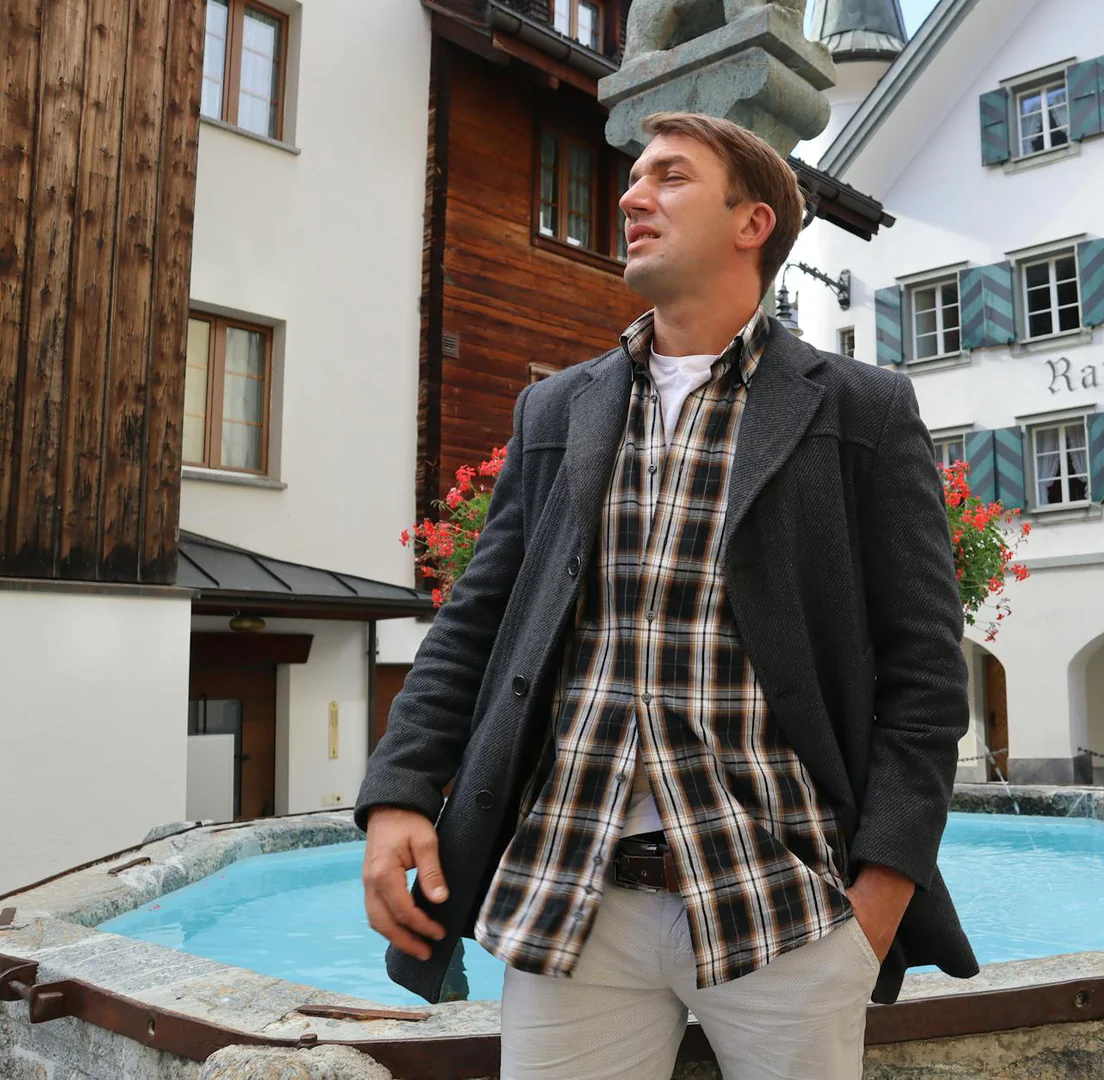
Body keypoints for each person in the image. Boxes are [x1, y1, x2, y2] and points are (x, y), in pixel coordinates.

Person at [355, 111, 976, 1079]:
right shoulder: (558, 409)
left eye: (671, 178)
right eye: (634, 177)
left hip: (783, 906)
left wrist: (877, 902)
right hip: (571, 896)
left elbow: (927, 676)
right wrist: (398, 792)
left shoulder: (861, 410)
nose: (631, 197)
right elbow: (475, 622)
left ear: (752, 222)